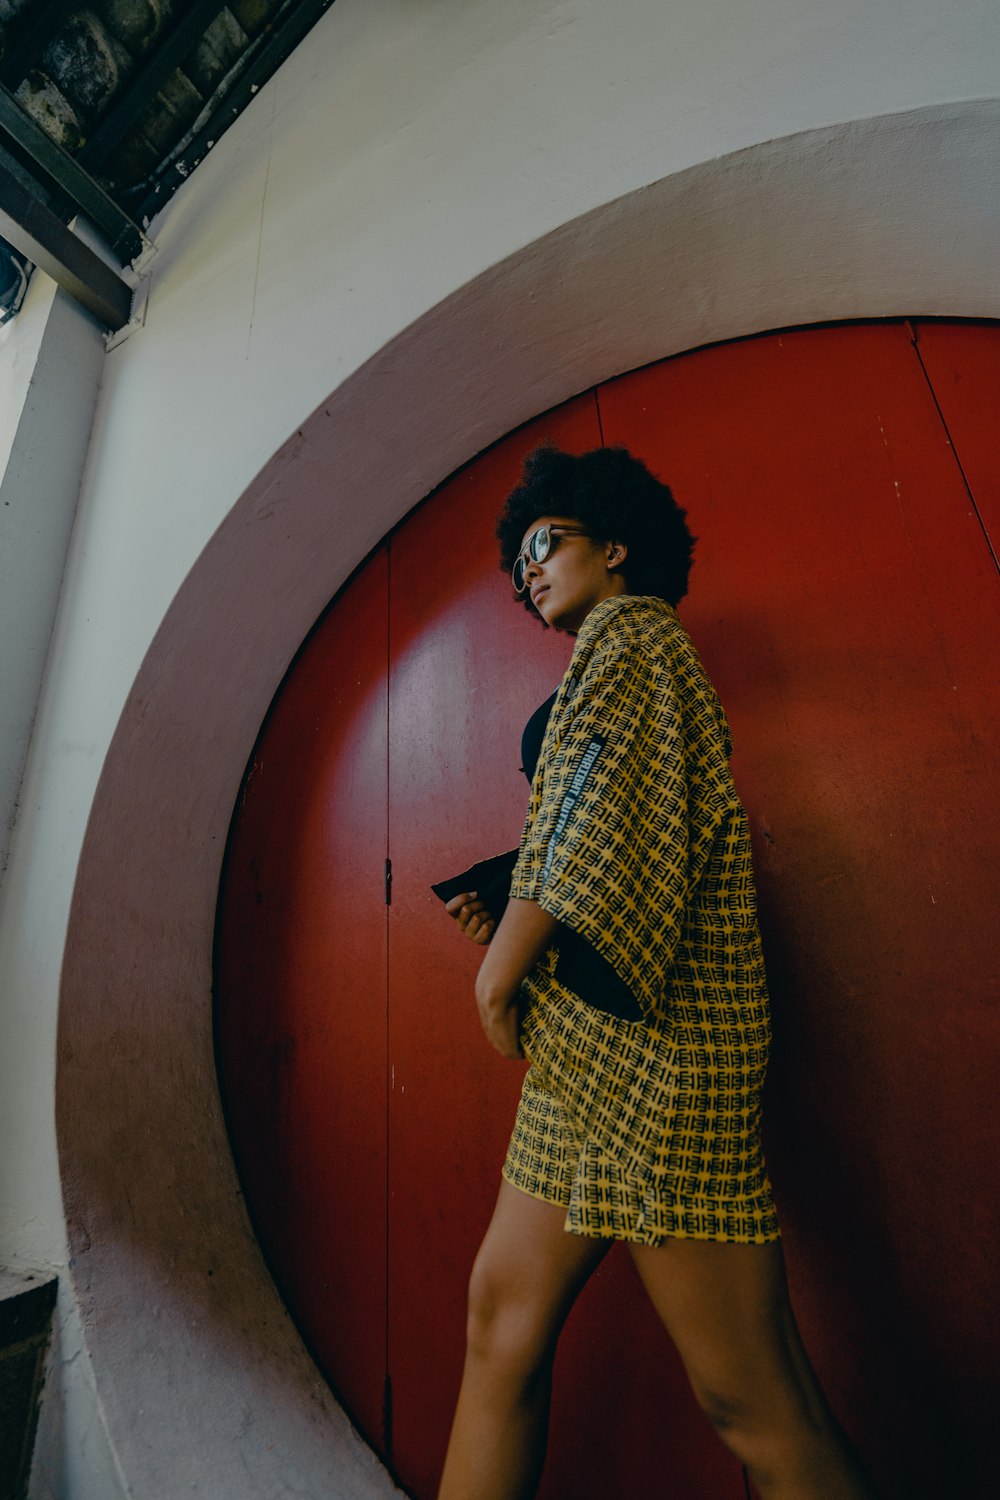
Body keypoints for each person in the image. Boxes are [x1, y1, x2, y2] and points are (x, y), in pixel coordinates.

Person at [438, 445, 878, 1500]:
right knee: (501, 1323)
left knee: (751, 1402)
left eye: (546, 543)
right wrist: (513, 911)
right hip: (584, 1058)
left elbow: (591, 822)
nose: (529, 572)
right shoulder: (611, 661)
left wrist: (501, 969)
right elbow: (601, 828)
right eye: (519, 565)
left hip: (658, 1062)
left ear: (615, 543)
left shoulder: (635, 641)